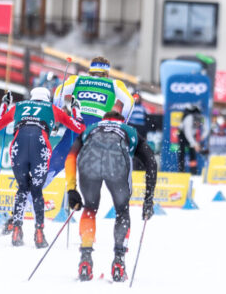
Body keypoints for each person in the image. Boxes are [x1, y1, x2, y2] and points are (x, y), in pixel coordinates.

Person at [64, 110, 158, 282]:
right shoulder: (129, 129)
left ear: (104, 120)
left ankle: (85, 258)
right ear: (121, 120)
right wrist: (148, 199)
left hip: (89, 160)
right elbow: (151, 162)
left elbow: (70, 157)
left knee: (90, 207)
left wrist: (71, 189)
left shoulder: (91, 128)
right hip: (117, 160)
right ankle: (119, 261)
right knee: (122, 210)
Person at [0, 87, 85, 247]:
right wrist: (76, 110)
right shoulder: (53, 109)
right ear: (47, 98)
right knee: (36, 190)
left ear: (32, 97)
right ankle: (39, 233)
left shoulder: (18, 107)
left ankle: (17, 230)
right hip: (41, 145)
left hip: (18, 146)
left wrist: (4, 105)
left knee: (22, 188)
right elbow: (79, 127)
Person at [47, 56, 134, 184]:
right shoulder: (114, 84)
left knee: (54, 165)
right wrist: (122, 122)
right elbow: (130, 102)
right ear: (107, 73)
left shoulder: (77, 79)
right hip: (98, 127)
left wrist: (57, 117)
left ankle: (29, 197)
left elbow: (59, 92)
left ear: (90, 71)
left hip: (77, 124)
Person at [176, 103, 208, 175]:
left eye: (198, 124)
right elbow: (188, 134)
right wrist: (194, 144)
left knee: (192, 153)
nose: (197, 125)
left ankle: (193, 171)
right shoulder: (189, 119)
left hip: (192, 134)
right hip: (183, 134)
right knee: (181, 152)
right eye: (196, 123)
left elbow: (206, 129)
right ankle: (181, 171)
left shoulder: (202, 119)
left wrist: (203, 136)